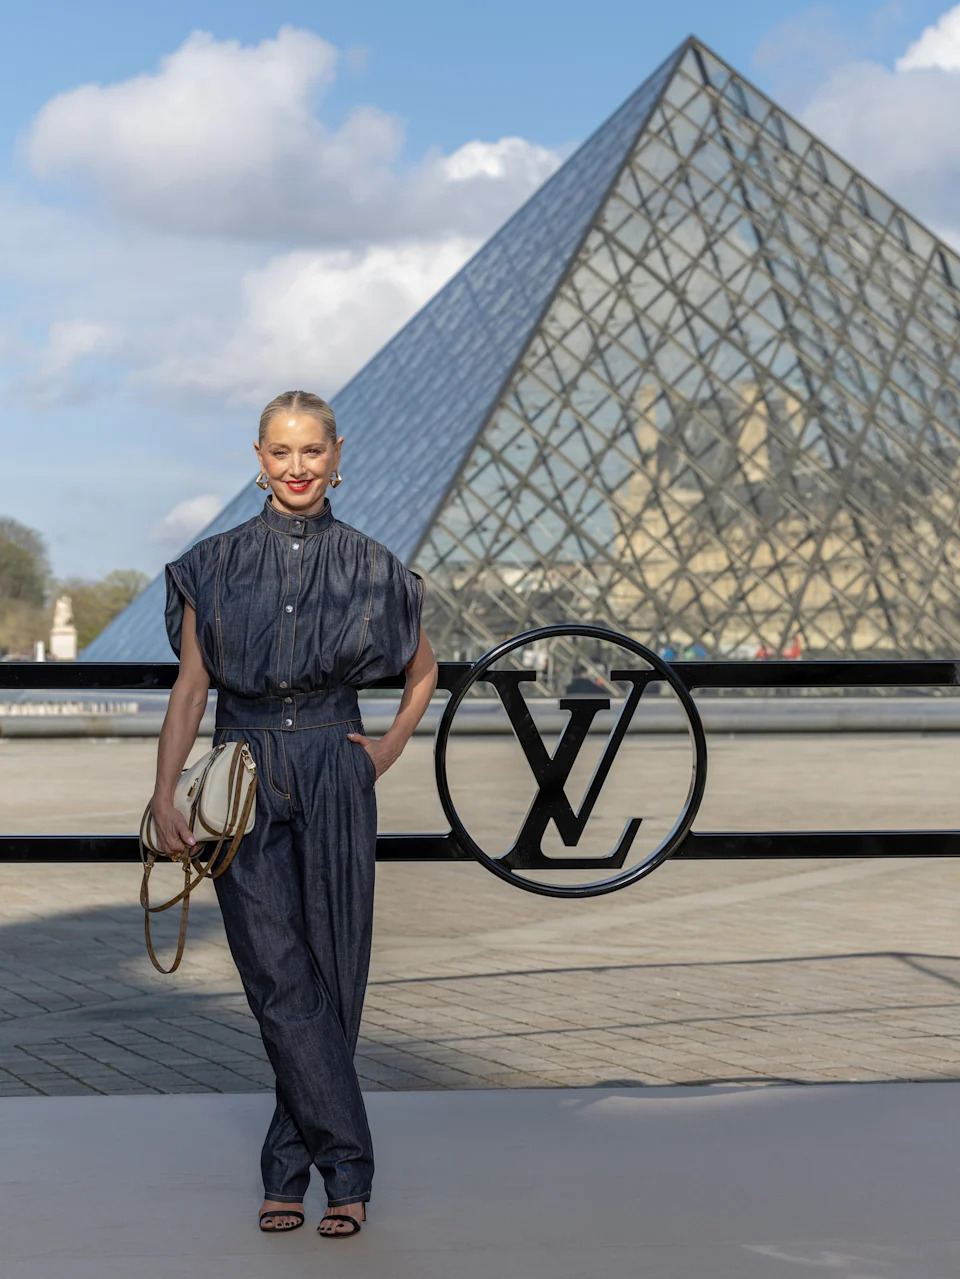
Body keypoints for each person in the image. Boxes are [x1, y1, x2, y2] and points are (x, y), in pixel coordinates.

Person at [151, 390, 438, 1239]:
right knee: (277, 975)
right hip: (240, 772)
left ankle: (287, 1170)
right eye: (281, 451)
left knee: (334, 972)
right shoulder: (211, 562)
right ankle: (347, 1166)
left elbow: (424, 671)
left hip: (333, 766)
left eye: (312, 450)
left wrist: (384, 751)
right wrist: (165, 792)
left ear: (337, 453)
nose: (298, 466)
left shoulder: (374, 564)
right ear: (258, 455)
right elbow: (191, 689)